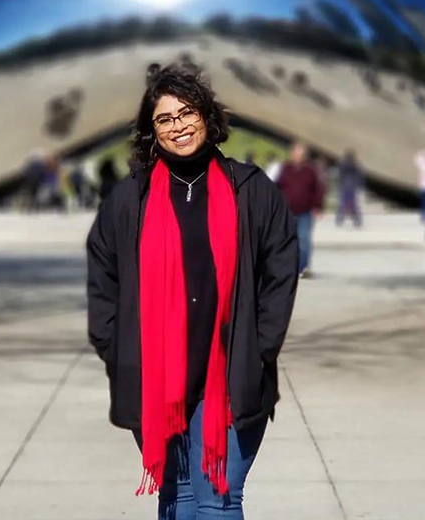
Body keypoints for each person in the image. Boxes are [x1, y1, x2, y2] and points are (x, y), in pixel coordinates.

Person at [87, 63, 298, 520]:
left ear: (206, 115)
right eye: (165, 119)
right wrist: (114, 347)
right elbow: (102, 274)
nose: (179, 126)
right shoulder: (131, 199)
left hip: (230, 372)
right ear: (151, 131)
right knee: (177, 498)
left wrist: (262, 345)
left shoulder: (250, 190)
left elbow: (281, 267)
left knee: (218, 500)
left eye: (187, 112)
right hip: (156, 375)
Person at [277, 142, 324, 278]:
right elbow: (276, 187)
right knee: (286, 241)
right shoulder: (284, 169)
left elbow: (318, 190)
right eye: (296, 154)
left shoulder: (311, 171)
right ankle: (287, 268)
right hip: (287, 212)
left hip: (305, 212)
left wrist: (317, 207)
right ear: (291, 154)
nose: (298, 157)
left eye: (301, 155)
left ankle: (302, 268)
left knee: (303, 240)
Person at [336, 149, 364, 227]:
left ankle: (339, 220)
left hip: (344, 186)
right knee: (354, 204)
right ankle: (357, 221)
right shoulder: (357, 164)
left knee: (342, 204)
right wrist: (360, 185)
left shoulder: (342, 163)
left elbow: (340, 175)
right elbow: (360, 175)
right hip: (353, 186)